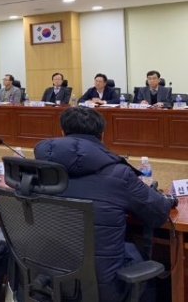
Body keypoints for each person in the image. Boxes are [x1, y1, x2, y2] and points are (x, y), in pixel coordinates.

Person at [34, 107, 171, 301]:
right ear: (102, 136)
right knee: (143, 261)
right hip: (102, 288)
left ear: (63, 132)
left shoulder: (35, 171)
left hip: (45, 279)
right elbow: (159, 213)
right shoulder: (119, 173)